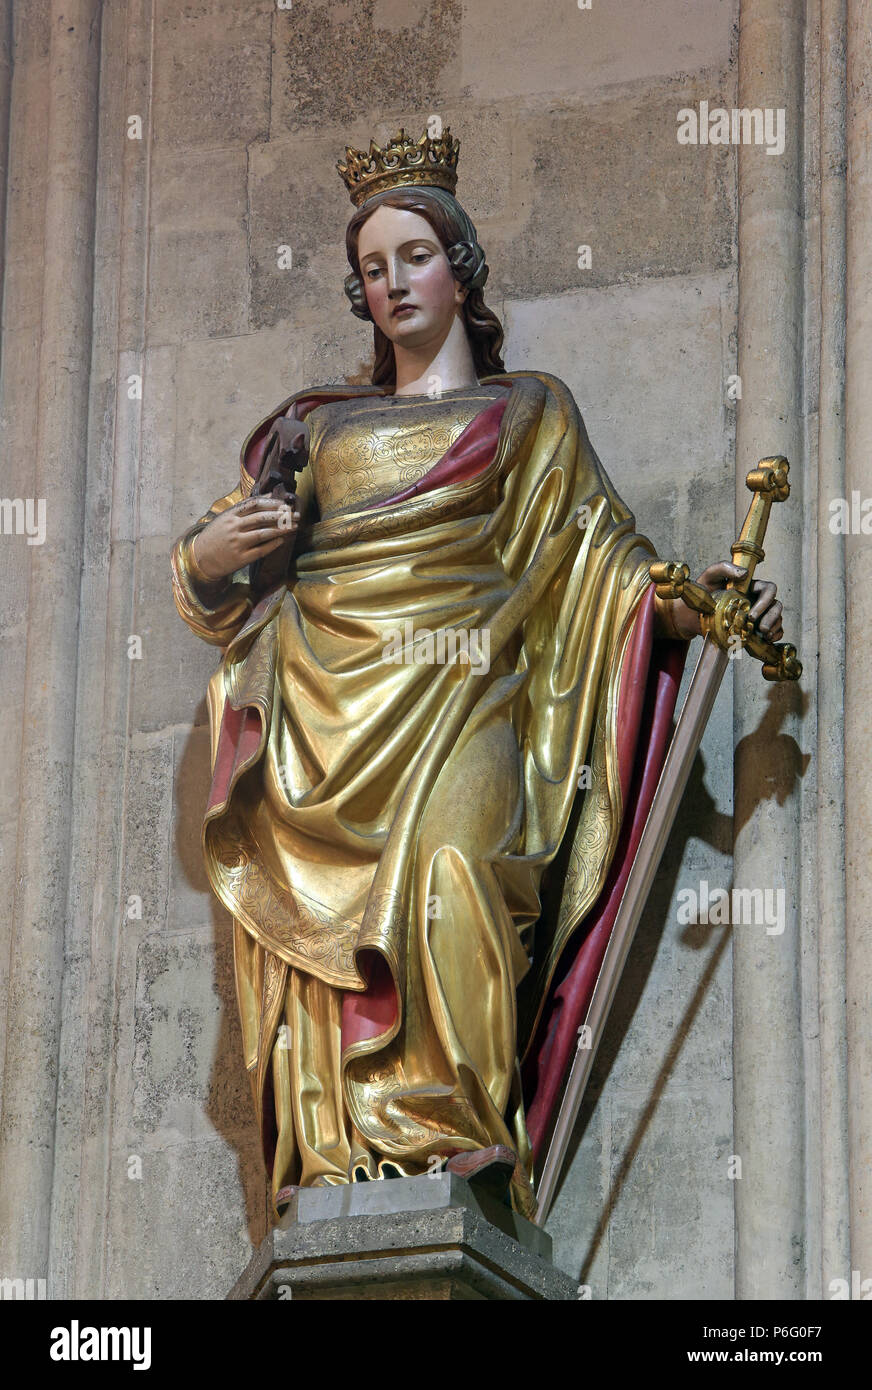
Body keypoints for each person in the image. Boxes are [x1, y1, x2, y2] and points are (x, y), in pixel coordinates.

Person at [172, 128, 782, 1220]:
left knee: (458, 873)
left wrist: (691, 606)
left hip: (466, 700)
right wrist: (206, 560)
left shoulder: (527, 414)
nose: (393, 281)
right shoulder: (318, 428)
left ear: (459, 267)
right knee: (334, 950)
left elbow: (607, 564)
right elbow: (222, 562)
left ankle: (455, 1135)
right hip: (328, 707)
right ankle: (339, 1156)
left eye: (413, 255)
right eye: (372, 267)